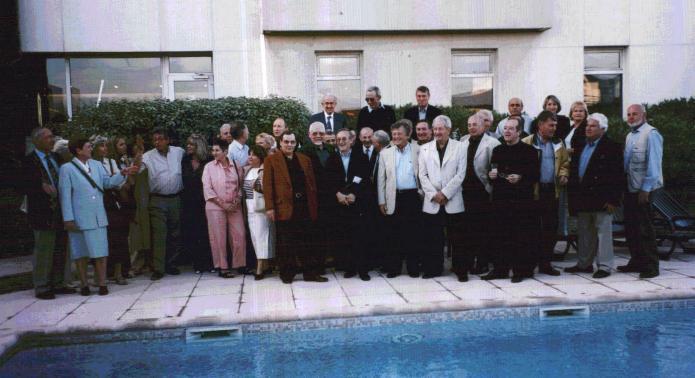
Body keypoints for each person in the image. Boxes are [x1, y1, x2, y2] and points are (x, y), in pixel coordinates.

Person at [59, 137, 135, 296]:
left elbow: (107, 183)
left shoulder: (97, 165)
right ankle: (84, 284)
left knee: (101, 251)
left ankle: (102, 283)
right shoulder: (67, 169)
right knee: (81, 253)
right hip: (78, 218)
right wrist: (68, 218)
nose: (91, 149)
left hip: (98, 215)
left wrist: (122, 173)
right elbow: (65, 195)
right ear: (78, 150)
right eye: (88, 147)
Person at [565, 113, 623, 278]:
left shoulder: (612, 147)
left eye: (592, 126)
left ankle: (604, 266)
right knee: (585, 234)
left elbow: (618, 175)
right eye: (587, 126)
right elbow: (575, 173)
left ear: (602, 129)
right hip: (583, 198)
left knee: (603, 234)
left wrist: (613, 199)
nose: (588, 128)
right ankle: (584, 264)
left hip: (602, 199)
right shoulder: (581, 145)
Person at [264, 131, 326, 283]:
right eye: (286, 142)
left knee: (307, 241)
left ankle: (310, 274)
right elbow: (267, 186)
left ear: (296, 143)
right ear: (280, 143)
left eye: (292, 142)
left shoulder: (305, 160)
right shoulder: (271, 160)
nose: (289, 145)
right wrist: (270, 207)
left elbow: (312, 185)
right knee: (286, 243)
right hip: (283, 207)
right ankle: (287, 274)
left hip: (304, 207)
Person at [20, 128, 75, 299]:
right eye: (49, 137)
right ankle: (42, 287)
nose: (52, 140)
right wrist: (39, 187)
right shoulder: (28, 161)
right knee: (44, 250)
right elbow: (21, 186)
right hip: (42, 213)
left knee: (61, 248)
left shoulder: (57, 158)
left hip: (60, 210)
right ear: (37, 140)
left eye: (53, 137)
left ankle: (59, 283)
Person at [484, 118, 539, 283]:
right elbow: (493, 171)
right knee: (500, 236)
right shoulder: (498, 150)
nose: (507, 132)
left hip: (521, 202)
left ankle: (520, 271)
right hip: (501, 201)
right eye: (505, 129)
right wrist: (491, 175)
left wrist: (520, 177)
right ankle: (500, 269)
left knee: (520, 237)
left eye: (511, 129)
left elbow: (535, 175)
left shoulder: (529, 151)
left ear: (519, 132)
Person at [617, 104, 663, 279]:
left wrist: (645, 189)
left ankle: (652, 266)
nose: (630, 117)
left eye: (634, 114)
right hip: (630, 188)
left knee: (645, 229)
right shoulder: (630, 136)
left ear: (644, 115)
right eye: (628, 114)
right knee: (631, 228)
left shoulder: (651, 134)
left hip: (645, 189)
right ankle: (636, 261)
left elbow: (654, 164)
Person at [522, 110, 569, 276]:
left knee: (550, 228)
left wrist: (563, 174)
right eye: (551, 125)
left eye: (555, 125)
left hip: (552, 191)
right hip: (534, 192)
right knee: (532, 229)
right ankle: (528, 264)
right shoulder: (527, 142)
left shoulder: (558, 143)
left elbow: (565, 163)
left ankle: (545, 264)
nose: (554, 128)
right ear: (540, 125)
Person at [418, 115, 464, 279]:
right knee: (433, 238)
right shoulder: (425, 149)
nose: (437, 132)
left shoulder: (460, 147)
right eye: (435, 129)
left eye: (440, 129)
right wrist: (434, 194)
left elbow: (461, 174)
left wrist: (445, 193)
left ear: (448, 130)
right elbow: (422, 175)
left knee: (457, 238)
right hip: (432, 201)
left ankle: (460, 270)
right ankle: (433, 269)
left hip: (453, 199)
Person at [378, 119, 423, 278]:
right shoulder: (385, 153)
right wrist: (381, 200)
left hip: (412, 197)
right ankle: (394, 268)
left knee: (413, 234)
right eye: (394, 134)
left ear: (408, 135)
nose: (396, 137)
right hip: (393, 197)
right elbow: (381, 179)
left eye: (399, 134)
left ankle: (413, 268)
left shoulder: (418, 150)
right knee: (393, 235)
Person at [458, 114, 501, 279]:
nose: (471, 127)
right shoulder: (462, 141)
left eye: (475, 124)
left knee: (482, 230)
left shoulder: (492, 143)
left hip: (482, 191)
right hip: (463, 191)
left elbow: (495, 167)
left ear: (484, 126)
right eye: (469, 125)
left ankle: (482, 262)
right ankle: (467, 262)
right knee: (467, 231)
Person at [326, 129, 371, 280]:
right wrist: (338, 194)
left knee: (360, 237)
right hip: (339, 204)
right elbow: (329, 181)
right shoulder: (331, 158)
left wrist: (355, 195)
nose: (341, 142)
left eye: (344, 139)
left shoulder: (361, 157)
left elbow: (365, 179)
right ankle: (349, 268)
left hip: (357, 204)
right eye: (338, 139)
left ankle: (363, 270)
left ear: (351, 140)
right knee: (345, 238)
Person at [141, 128, 185, 280]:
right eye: (154, 139)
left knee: (175, 232)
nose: (157, 142)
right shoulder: (147, 156)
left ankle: (171, 264)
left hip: (175, 198)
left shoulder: (179, 152)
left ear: (167, 140)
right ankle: (158, 268)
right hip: (158, 199)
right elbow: (137, 168)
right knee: (159, 233)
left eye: (160, 139)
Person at [202, 138, 246, 278]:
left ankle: (239, 265)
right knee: (218, 237)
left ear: (225, 151)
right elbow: (207, 188)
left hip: (234, 207)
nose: (214, 153)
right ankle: (223, 267)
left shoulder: (236, 166)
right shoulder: (209, 167)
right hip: (215, 206)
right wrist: (222, 204)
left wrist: (237, 200)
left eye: (217, 150)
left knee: (239, 235)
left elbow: (241, 185)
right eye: (213, 150)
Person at [91, 135, 130, 285]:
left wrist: (121, 176)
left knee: (118, 237)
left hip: (112, 201)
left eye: (106, 146)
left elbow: (119, 183)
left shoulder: (112, 162)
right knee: (100, 239)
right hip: (97, 202)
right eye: (101, 146)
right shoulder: (90, 164)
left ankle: (119, 273)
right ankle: (99, 275)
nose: (105, 149)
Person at [300, 122, 336, 269]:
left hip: (330, 198)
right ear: (309, 135)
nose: (318, 136)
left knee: (327, 231)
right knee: (313, 233)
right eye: (315, 133)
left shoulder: (331, 149)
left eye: (321, 133)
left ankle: (326, 261)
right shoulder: (303, 151)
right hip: (313, 198)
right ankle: (315, 266)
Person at [181, 134, 213, 274]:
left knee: (207, 232)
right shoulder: (185, 160)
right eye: (187, 144)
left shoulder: (208, 161)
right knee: (193, 232)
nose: (188, 146)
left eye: (191, 144)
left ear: (198, 146)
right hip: (189, 202)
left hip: (205, 201)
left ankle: (210, 262)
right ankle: (198, 263)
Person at [244, 145, 274, 280]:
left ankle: (260, 267)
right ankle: (265, 265)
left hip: (260, 209)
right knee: (255, 238)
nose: (250, 157)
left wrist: (256, 185)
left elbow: (267, 189)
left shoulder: (264, 170)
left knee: (261, 237)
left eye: (253, 155)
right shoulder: (249, 170)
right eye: (249, 154)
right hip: (250, 208)